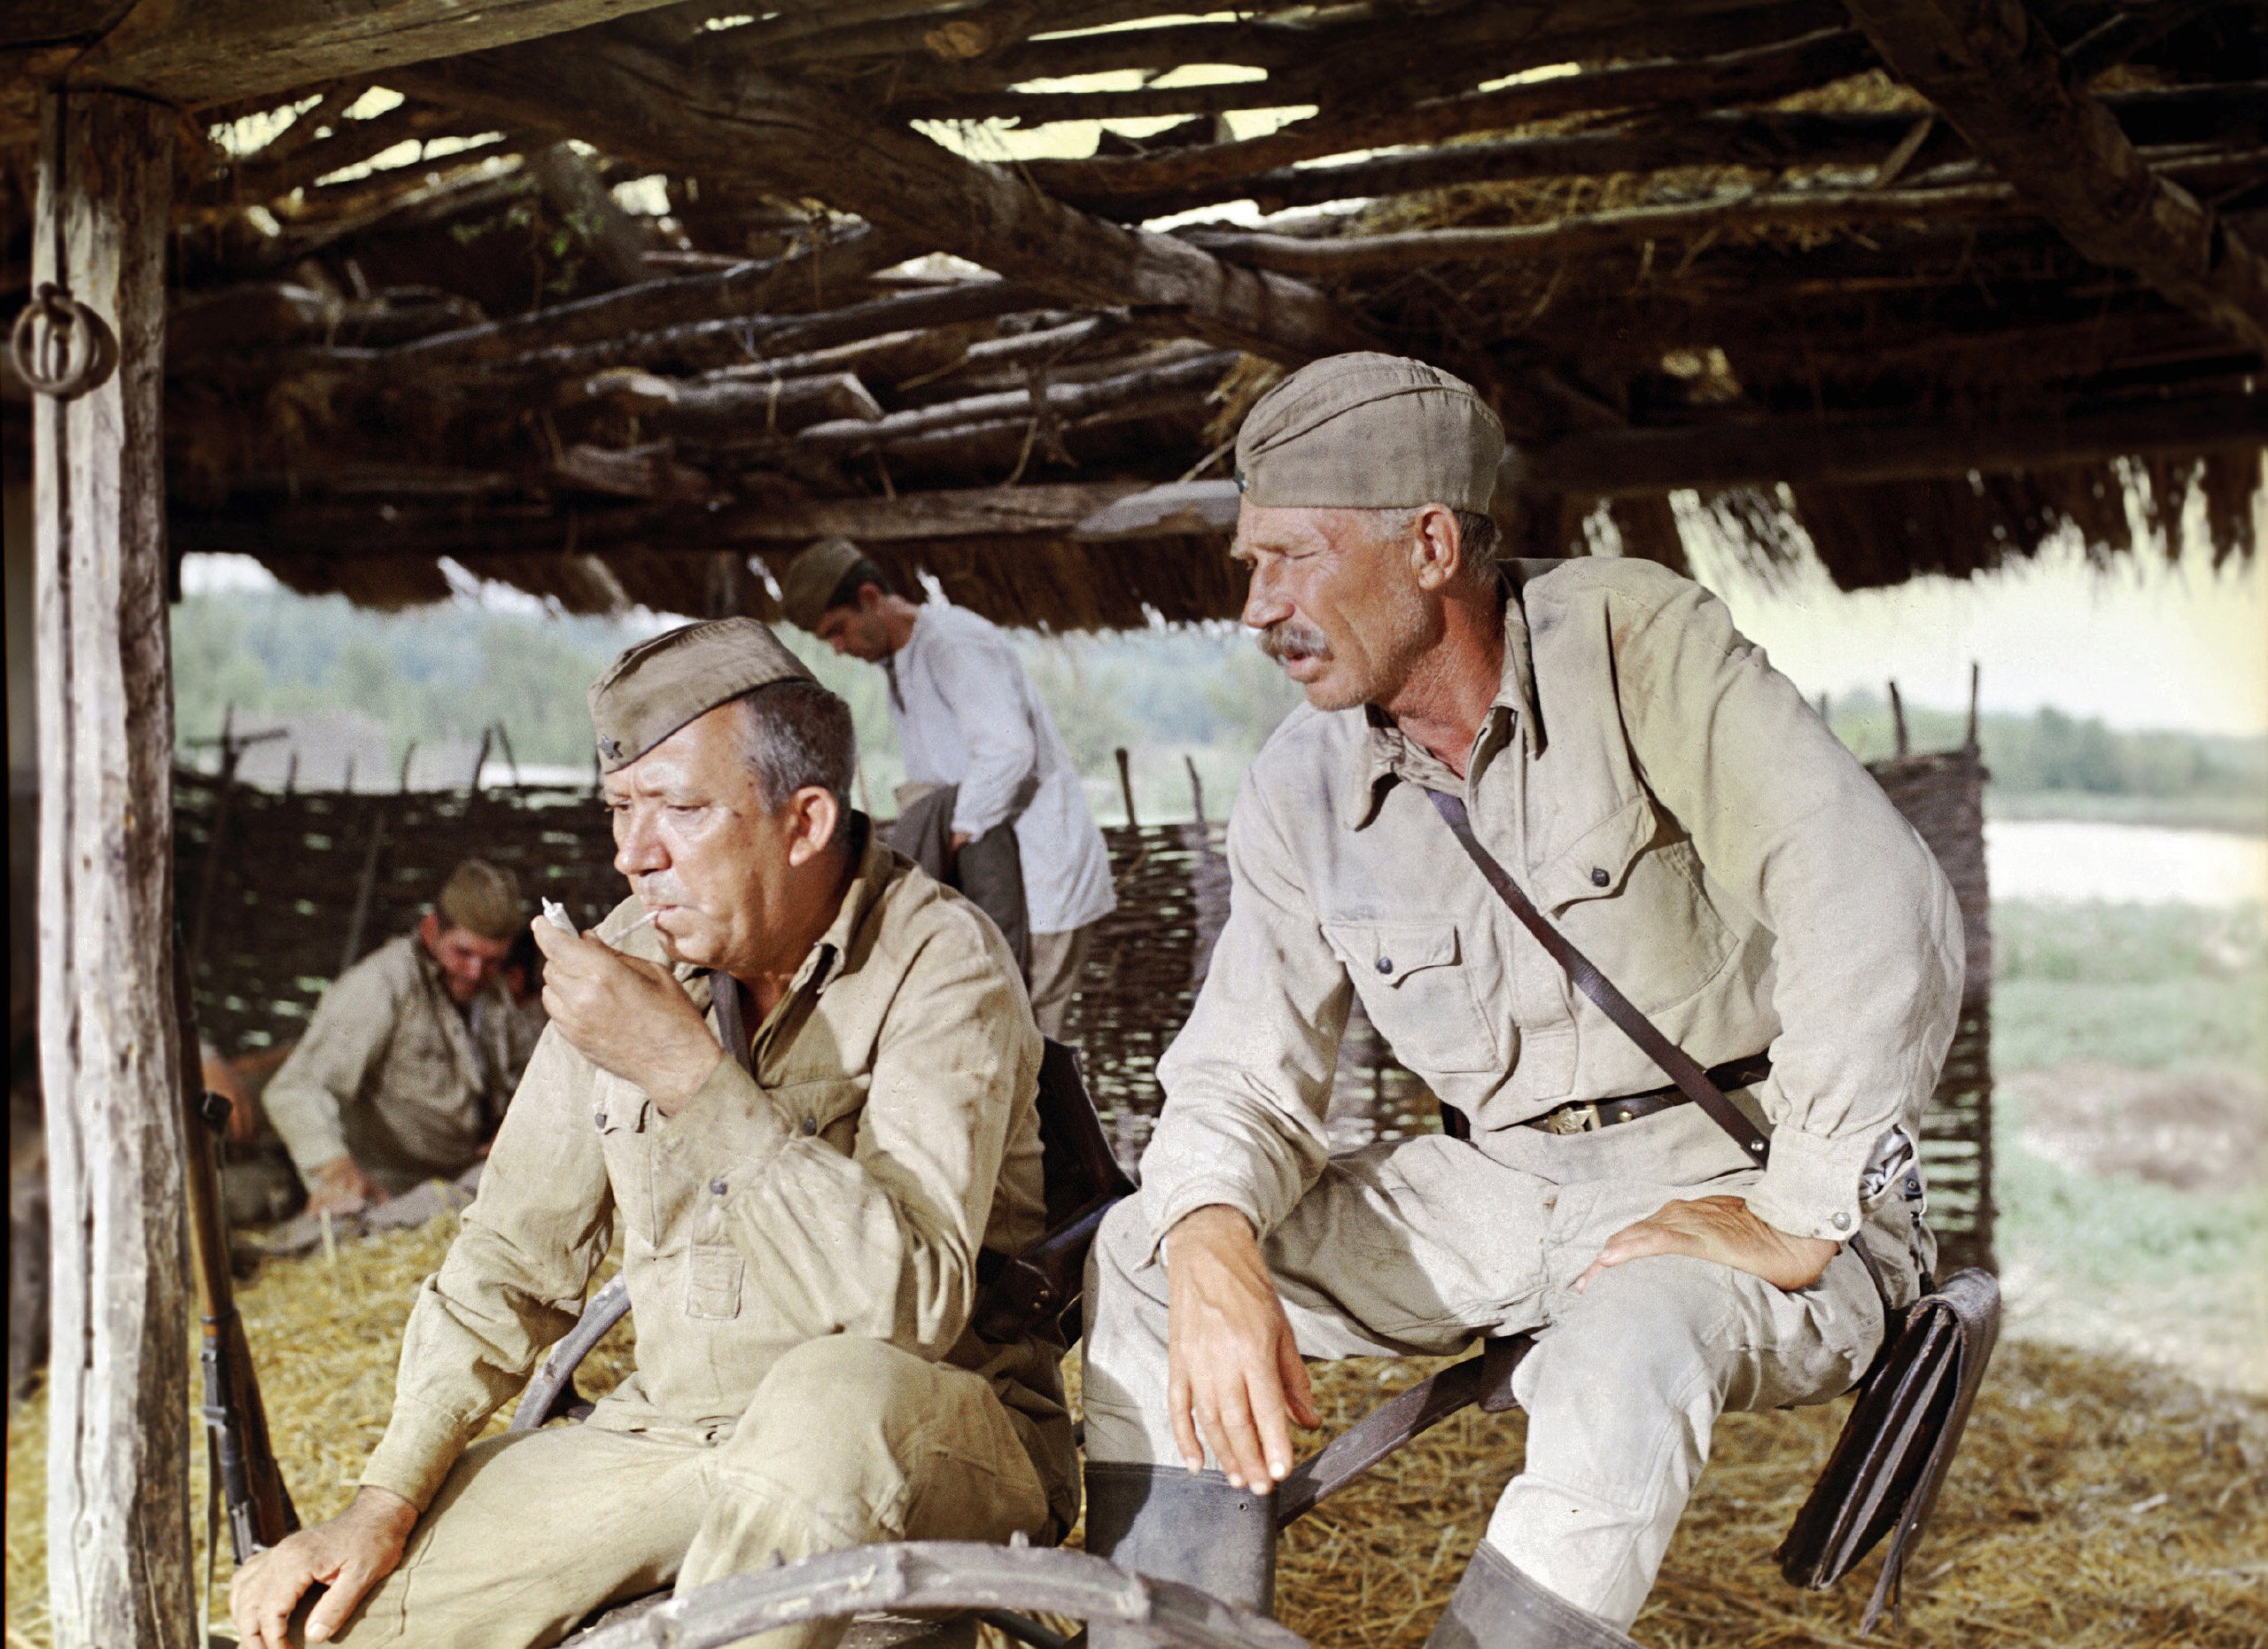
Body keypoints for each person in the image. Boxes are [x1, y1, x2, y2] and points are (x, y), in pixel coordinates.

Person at [1078, 354, 1962, 1649]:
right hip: (1503, 1192)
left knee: (1632, 1331)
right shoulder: (1298, 783)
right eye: (1249, 566)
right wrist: (1209, 1231)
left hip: (1739, 1177)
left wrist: (1802, 1208)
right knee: (1148, 1253)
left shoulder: (1631, 642)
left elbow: (1870, 898)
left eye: (1292, 559)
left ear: (1431, 543)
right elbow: (1243, 1066)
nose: (1259, 607)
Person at [231, 618, 1072, 1649]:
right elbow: (511, 1253)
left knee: (828, 1394)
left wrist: (682, 1068)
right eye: (620, 810)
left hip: (928, 1427)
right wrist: (382, 1499)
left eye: (677, 809)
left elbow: (906, 1309)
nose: (633, 855)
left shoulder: (941, 962)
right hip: (671, 1433)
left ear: (803, 820)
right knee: (331, 1626)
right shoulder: (630, 959)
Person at [780, 539, 1115, 1038]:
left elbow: (1008, 750)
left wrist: (958, 829)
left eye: (839, 630)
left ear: (870, 598)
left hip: (1041, 867)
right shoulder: (901, 661)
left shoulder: (952, 643)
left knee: (1036, 1028)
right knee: (998, 1015)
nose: (839, 648)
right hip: (995, 866)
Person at [263, 859, 540, 1216]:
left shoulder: (493, 992)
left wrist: (515, 1125)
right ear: (430, 931)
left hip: (467, 1181)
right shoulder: (381, 985)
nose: (475, 973)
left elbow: (529, 1074)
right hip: (390, 1188)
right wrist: (334, 1167)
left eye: (491, 960)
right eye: (463, 953)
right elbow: (295, 1087)